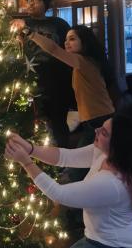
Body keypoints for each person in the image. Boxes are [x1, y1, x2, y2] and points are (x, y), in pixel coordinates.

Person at [5, 115, 132, 248]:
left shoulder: (111, 183)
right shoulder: (105, 154)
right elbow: (65, 157)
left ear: (117, 146)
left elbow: (58, 194)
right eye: (101, 127)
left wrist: (26, 162)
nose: (97, 130)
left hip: (113, 244)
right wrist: (30, 149)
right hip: (99, 237)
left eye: (104, 132)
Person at [29, 25, 115, 161]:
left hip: (97, 119)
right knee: (97, 157)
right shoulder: (87, 62)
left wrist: (30, 33)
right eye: (66, 39)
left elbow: (53, 49)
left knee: (88, 158)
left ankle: (71, 177)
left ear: (84, 42)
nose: (66, 43)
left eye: (72, 39)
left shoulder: (82, 61)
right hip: (100, 116)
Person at [11, 0, 74, 147]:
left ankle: (62, 159)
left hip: (56, 81)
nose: (31, 2)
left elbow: (69, 49)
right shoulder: (21, 24)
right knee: (30, 120)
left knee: (58, 122)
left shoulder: (58, 24)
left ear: (46, 4)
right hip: (29, 81)